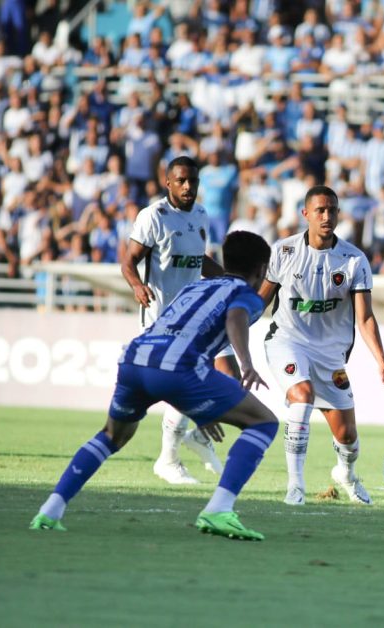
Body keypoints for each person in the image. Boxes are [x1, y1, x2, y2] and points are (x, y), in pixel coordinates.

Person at [30, 231, 278, 541]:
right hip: (179, 367)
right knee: (264, 423)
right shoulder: (248, 295)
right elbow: (236, 316)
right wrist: (246, 363)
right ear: (261, 270)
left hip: (136, 359)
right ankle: (219, 509)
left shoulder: (196, 286)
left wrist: (201, 405)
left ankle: (50, 509)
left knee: (112, 436)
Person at [259, 185, 384, 506]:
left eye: (332, 210)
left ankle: (346, 473)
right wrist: (230, 330)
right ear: (305, 214)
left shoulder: (353, 260)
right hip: (286, 340)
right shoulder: (283, 251)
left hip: (330, 354)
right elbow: (259, 300)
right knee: (301, 397)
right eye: (319, 210)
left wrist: (382, 360)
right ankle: (295, 486)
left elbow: (365, 318)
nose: (326, 216)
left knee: (347, 437)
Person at [121, 156, 235, 485]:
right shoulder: (153, 217)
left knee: (215, 376)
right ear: (168, 183)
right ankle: (170, 458)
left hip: (191, 316)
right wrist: (137, 285)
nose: (188, 187)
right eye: (182, 181)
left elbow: (199, 261)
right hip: (159, 319)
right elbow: (128, 260)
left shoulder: (200, 214)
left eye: (193, 182)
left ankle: (188, 444)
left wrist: (230, 280)